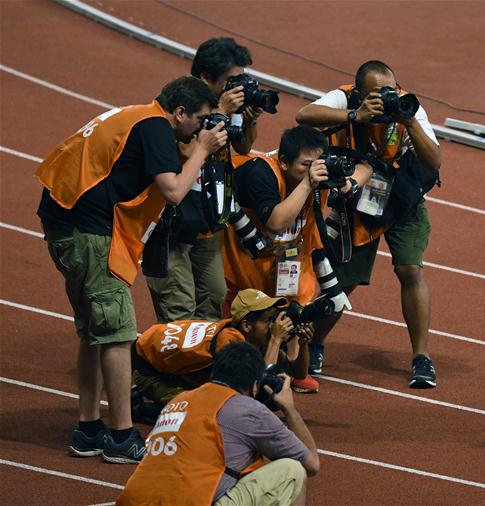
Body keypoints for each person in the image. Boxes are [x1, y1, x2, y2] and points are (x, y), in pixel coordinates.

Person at [36, 75, 227, 463]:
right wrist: (203, 150)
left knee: (94, 333)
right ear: (180, 112)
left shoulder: (139, 116)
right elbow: (174, 191)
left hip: (68, 225)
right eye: (200, 120)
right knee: (119, 335)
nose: (202, 128)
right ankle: (122, 437)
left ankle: (89, 428)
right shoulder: (156, 127)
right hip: (90, 234)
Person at [296, 60, 442, 388]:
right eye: (378, 93)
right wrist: (355, 116)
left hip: (403, 195)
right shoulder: (344, 98)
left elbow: (434, 160)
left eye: (392, 89)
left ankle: (422, 358)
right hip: (358, 196)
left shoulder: (408, 106)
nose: (388, 97)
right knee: (344, 280)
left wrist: (408, 121)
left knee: (411, 270)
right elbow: (303, 117)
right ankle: (315, 343)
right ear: (360, 93)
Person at [222, 126, 370, 392]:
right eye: (305, 165)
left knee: (297, 309)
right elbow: (277, 221)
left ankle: (294, 365)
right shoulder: (262, 173)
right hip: (244, 260)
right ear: (284, 161)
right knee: (243, 334)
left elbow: (368, 166)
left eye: (318, 164)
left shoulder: (318, 175)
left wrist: (349, 182)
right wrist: (308, 183)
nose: (314, 170)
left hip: (289, 258)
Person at [146, 37, 264, 324]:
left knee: (213, 298)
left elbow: (244, 148)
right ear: (205, 77)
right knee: (180, 308)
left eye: (242, 78)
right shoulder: (183, 103)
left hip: (208, 219)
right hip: (173, 225)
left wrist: (249, 119)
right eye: (231, 80)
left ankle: (196, 364)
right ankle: (167, 365)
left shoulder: (228, 105)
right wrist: (220, 112)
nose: (238, 86)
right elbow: (185, 150)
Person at [117, 341, 320, 506]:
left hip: (134, 501)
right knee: (292, 471)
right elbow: (311, 464)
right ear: (255, 387)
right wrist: (289, 409)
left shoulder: (179, 400)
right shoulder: (248, 409)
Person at [132, 288, 315, 413]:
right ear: (247, 326)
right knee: (211, 412)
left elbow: (297, 373)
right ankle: (139, 408)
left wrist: (304, 344)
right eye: (268, 320)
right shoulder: (230, 342)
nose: (274, 325)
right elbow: (260, 388)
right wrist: (276, 339)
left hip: (165, 363)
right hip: (149, 371)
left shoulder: (256, 337)